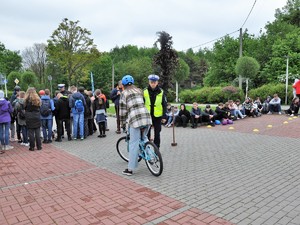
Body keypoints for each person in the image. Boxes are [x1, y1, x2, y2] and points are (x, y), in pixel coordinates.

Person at [119, 75, 152, 176]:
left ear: (123, 85)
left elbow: (122, 111)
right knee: (145, 138)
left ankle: (130, 169)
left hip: (135, 120)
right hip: (146, 117)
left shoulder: (124, 94)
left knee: (134, 144)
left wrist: (122, 123)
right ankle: (151, 157)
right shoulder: (139, 91)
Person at [143, 74, 167, 149]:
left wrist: (164, 116)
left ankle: (157, 149)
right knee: (147, 133)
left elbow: (164, 104)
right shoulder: (144, 91)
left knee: (157, 133)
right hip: (147, 116)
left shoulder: (161, 92)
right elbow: (142, 104)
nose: (153, 84)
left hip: (158, 116)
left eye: (154, 82)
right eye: (151, 82)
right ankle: (147, 149)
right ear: (149, 82)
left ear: (157, 83)